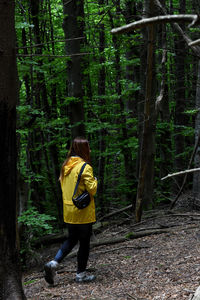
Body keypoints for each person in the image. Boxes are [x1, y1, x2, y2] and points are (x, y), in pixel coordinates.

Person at [44, 137, 98, 284]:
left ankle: (53, 264)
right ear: (83, 150)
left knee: (72, 238)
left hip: (69, 211)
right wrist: (96, 180)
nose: (90, 150)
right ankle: (81, 275)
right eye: (88, 147)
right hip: (83, 212)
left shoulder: (65, 166)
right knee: (84, 243)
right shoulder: (84, 167)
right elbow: (92, 189)